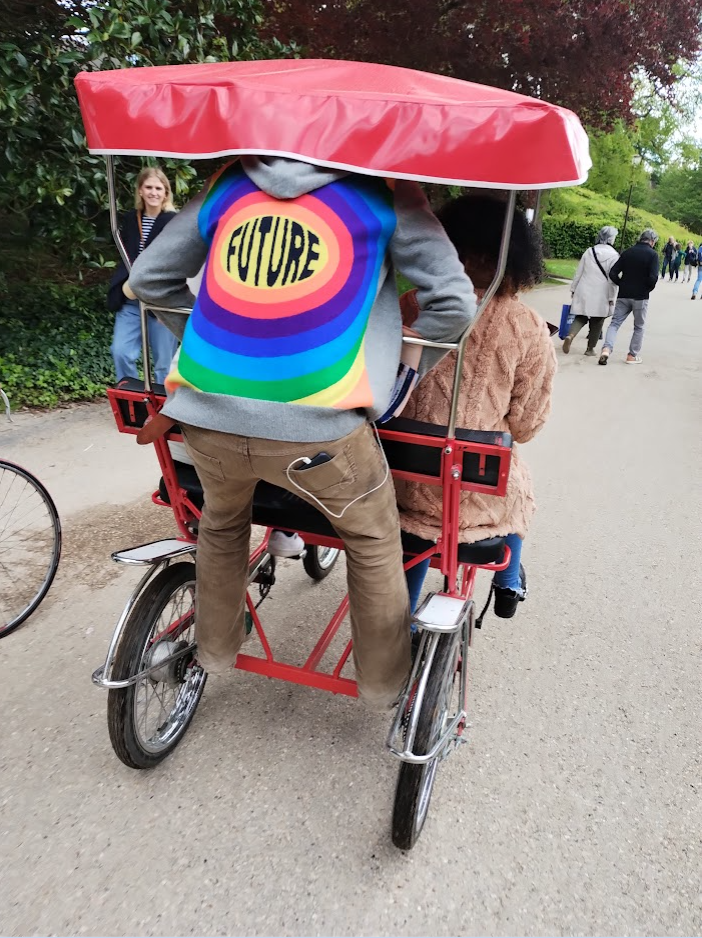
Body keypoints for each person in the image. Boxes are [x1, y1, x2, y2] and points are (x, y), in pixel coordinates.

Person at [128, 155, 477, 710]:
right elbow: (456, 304)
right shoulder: (386, 192)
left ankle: (214, 652)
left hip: (206, 417)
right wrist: (398, 364)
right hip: (320, 430)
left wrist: (209, 341)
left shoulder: (231, 182)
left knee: (220, 524)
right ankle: (383, 684)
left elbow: (146, 279)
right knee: (371, 537)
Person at [395, 194, 557, 619]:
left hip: (393, 480)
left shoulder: (410, 303)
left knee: (416, 520)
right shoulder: (526, 326)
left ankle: (403, 612)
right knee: (516, 482)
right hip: (470, 493)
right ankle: (508, 580)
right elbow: (525, 424)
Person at [107, 167, 179, 385]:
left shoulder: (174, 222)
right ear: (140, 191)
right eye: (149, 187)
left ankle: (165, 413)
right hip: (132, 298)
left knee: (163, 364)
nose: (153, 192)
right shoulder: (130, 219)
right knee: (121, 352)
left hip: (160, 301)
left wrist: (167, 303)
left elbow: (179, 263)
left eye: (159, 188)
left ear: (166, 193)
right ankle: (131, 402)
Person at [599, 228, 658, 365]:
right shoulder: (653, 255)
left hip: (624, 294)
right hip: (640, 296)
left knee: (614, 323)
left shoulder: (627, 252)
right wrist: (647, 289)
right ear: (651, 241)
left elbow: (613, 273)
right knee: (639, 326)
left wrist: (621, 284)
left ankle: (606, 349)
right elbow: (653, 277)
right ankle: (631, 355)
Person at [564, 226, 619, 356]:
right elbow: (612, 279)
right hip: (602, 292)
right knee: (598, 320)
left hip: (584, 288)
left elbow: (579, 272)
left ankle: (570, 335)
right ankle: (590, 349)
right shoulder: (614, 255)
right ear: (611, 239)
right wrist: (612, 297)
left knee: (580, 316)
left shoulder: (589, 251)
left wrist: (573, 288)